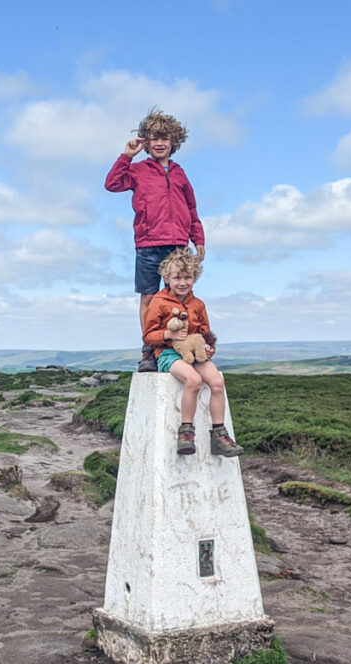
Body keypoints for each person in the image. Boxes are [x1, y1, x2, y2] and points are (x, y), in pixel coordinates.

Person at [104, 107, 205, 372]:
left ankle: (178, 344)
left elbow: (191, 209)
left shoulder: (181, 174)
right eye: (153, 138)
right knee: (149, 298)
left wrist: (198, 238)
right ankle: (150, 349)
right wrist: (126, 155)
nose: (159, 143)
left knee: (179, 297)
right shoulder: (137, 170)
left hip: (177, 245)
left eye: (165, 138)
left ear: (174, 142)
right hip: (148, 243)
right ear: (146, 143)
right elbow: (112, 184)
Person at [142, 248, 242, 458]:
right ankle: (186, 432)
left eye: (188, 277)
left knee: (216, 382)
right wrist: (168, 334)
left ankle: (219, 435)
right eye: (177, 277)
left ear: (195, 278)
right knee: (194, 381)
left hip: (195, 353)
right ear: (166, 278)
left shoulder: (198, 305)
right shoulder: (158, 303)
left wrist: (209, 348)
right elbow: (148, 336)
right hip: (168, 354)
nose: (182, 282)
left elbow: (206, 333)